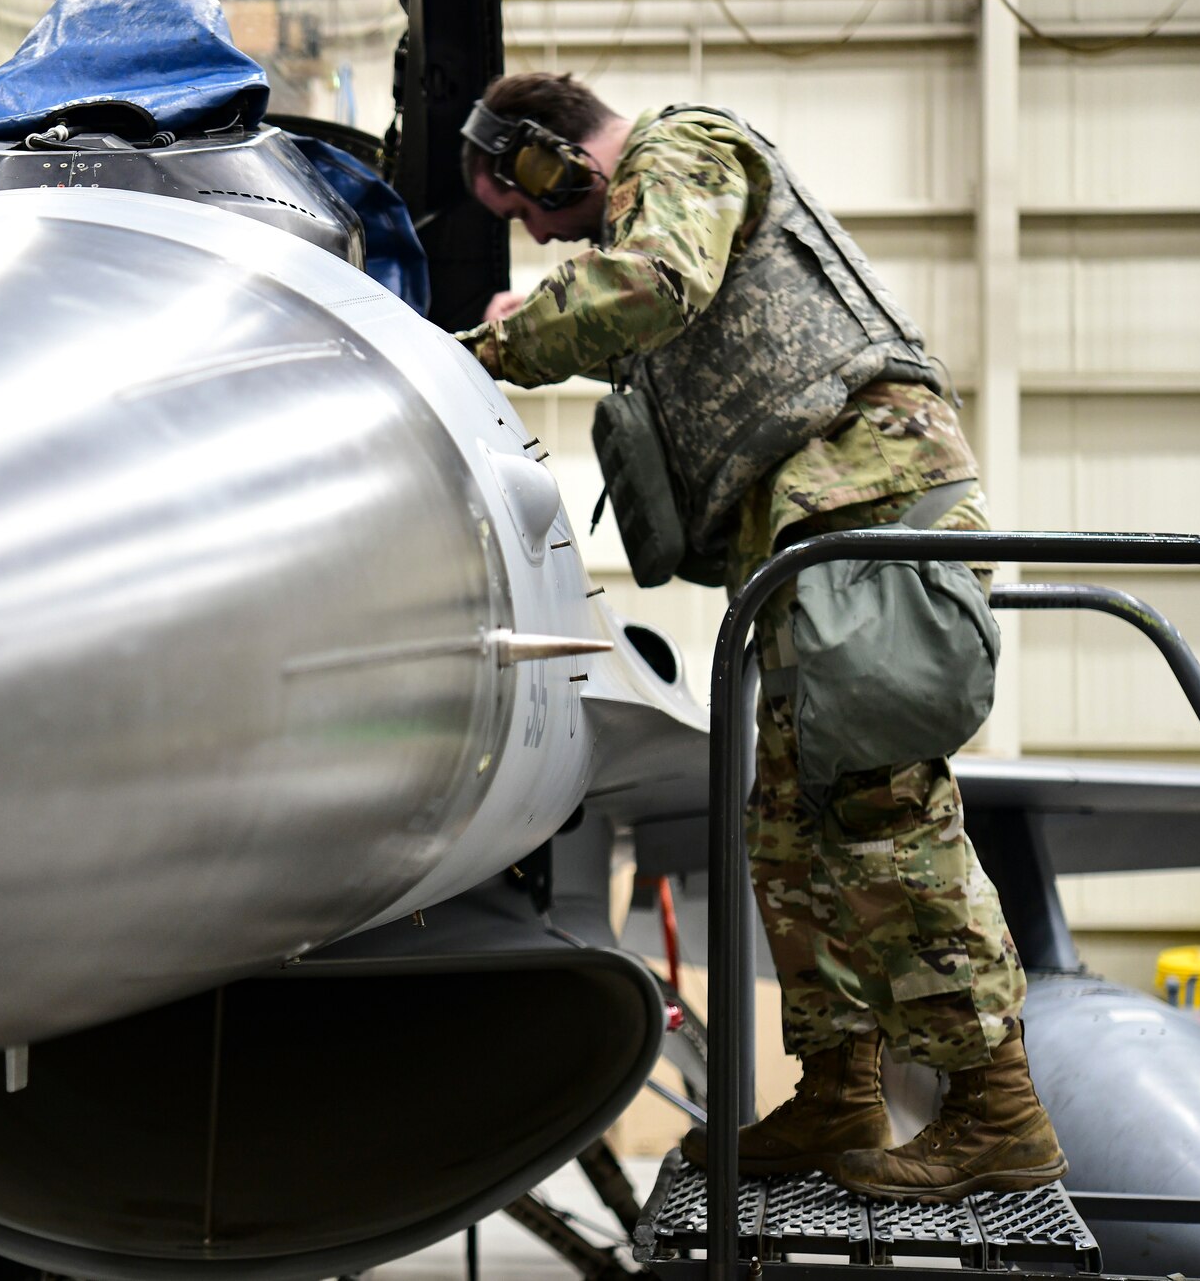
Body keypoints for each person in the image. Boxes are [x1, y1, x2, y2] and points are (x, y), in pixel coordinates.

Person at [452, 73, 1065, 1203]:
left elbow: (650, 287)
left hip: (868, 503)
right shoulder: (641, 207)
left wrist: (485, 353)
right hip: (801, 540)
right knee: (788, 835)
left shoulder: (680, 154)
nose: (536, 234)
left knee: (882, 812)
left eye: (523, 204)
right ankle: (836, 1088)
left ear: (551, 154)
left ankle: (996, 1109)